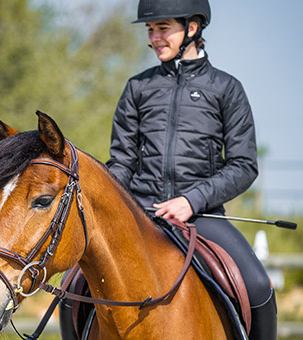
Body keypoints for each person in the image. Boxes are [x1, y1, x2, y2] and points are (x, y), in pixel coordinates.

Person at [106, 0, 277, 339]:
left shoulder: (227, 90)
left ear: (192, 28)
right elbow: (121, 162)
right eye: (150, 30)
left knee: (259, 288)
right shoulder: (137, 89)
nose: (154, 37)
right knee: (73, 287)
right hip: (142, 213)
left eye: (162, 28)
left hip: (203, 217)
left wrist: (192, 200)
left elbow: (244, 165)